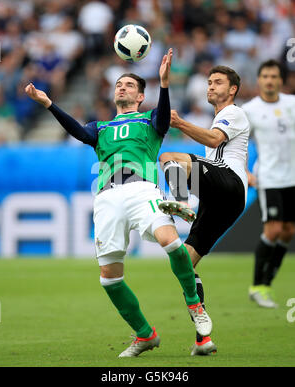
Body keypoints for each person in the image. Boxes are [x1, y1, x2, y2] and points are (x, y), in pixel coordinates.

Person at [25, 48, 212, 358]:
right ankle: (145, 334)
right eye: (119, 85)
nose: (121, 88)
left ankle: (194, 304)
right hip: (107, 198)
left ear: (140, 96)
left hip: (142, 191)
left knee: (172, 244)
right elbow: (77, 132)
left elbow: (165, 119)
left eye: (129, 85)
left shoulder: (150, 119)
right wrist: (49, 104)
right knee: (109, 279)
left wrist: (164, 85)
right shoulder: (100, 128)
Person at [158, 65, 250, 355]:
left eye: (217, 82)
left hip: (230, 184)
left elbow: (213, 140)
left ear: (232, 89)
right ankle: (203, 339)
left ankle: (181, 201)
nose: (210, 86)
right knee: (183, 263)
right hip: (224, 201)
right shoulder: (220, 116)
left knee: (169, 157)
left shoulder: (233, 112)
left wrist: (180, 123)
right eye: (209, 82)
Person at [243, 60, 295, 308]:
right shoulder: (250, 110)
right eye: (265, 76)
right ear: (259, 80)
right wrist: (244, 171)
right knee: (273, 230)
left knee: (288, 231)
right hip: (270, 177)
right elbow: (238, 142)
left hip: (293, 177)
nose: (270, 80)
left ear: (281, 80)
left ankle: (268, 279)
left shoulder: (291, 104)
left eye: (274, 76)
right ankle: (258, 285)